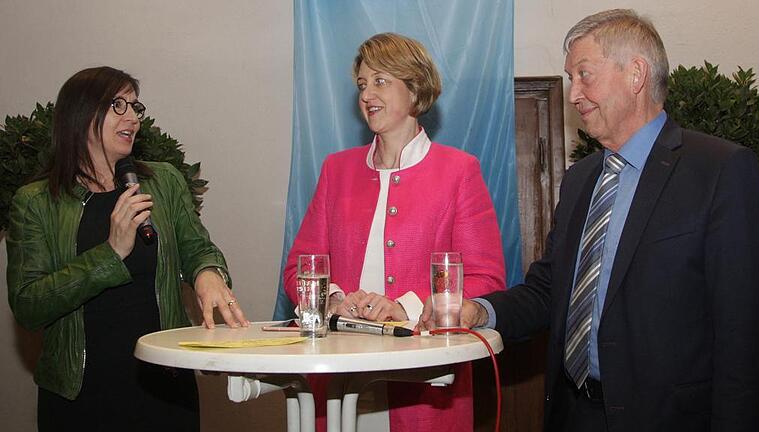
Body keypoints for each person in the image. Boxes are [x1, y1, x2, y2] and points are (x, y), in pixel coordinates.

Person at [419, 9, 759, 432]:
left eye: (584, 74)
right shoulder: (581, 179)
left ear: (636, 74)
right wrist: (479, 311)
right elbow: (548, 291)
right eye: (571, 78)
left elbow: (743, 335)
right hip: (574, 415)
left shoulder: (719, 171)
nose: (573, 94)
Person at [6, 66, 250, 431]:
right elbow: (28, 305)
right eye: (118, 105)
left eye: (136, 107)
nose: (133, 118)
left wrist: (208, 274)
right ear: (81, 113)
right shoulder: (36, 202)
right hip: (80, 396)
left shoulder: (162, 180)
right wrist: (110, 253)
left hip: (165, 386)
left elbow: (198, 248)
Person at [284, 33, 506, 431]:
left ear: (415, 89)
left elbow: (485, 279)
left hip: (424, 389)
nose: (367, 93)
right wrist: (332, 300)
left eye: (381, 80)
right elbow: (298, 271)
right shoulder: (336, 170)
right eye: (362, 84)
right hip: (338, 381)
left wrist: (408, 307)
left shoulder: (459, 171)